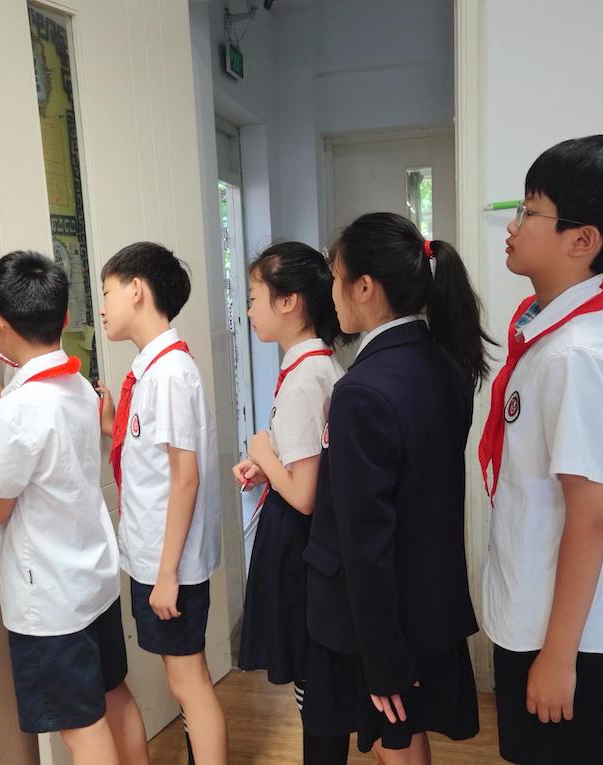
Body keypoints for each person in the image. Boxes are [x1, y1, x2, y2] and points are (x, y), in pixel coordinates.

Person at [479, 135, 603, 765]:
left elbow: (591, 517)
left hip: (563, 637)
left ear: (581, 240)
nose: (513, 226)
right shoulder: (552, 335)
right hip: (540, 615)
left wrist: (559, 658)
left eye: (529, 211)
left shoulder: (577, 355)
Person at [302, 213, 492, 764]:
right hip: (425, 595)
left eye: (336, 278)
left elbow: (366, 542)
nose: (331, 292)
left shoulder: (362, 391)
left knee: (397, 736)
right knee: (404, 737)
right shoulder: (446, 362)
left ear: (365, 287)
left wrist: (382, 660)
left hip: (377, 617)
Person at [0, 250, 148, 765]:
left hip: (50, 604)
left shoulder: (19, 411)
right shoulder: (77, 386)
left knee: (82, 732)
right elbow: (33, 440)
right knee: (116, 697)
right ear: (65, 318)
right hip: (93, 581)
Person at [97, 242, 227, 763]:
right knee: (184, 680)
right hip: (157, 556)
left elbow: (184, 478)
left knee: (188, 682)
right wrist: (110, 423)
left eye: (107, 292)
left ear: (136, 290)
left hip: (168, 563)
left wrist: (167, 574)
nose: (102, 307)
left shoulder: (169, 373)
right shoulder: (152, 371)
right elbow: (151, 457)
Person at [233, 242, 348, 760]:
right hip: (304, 544)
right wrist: (269, 464)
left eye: (254, 296)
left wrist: (263, 450)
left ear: (289, 301)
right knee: (312, 684)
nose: (249, 310)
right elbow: (308, 465)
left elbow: (304, 494)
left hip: (300, 545)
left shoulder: (305, 379)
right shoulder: (314, 368)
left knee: (314, 685)